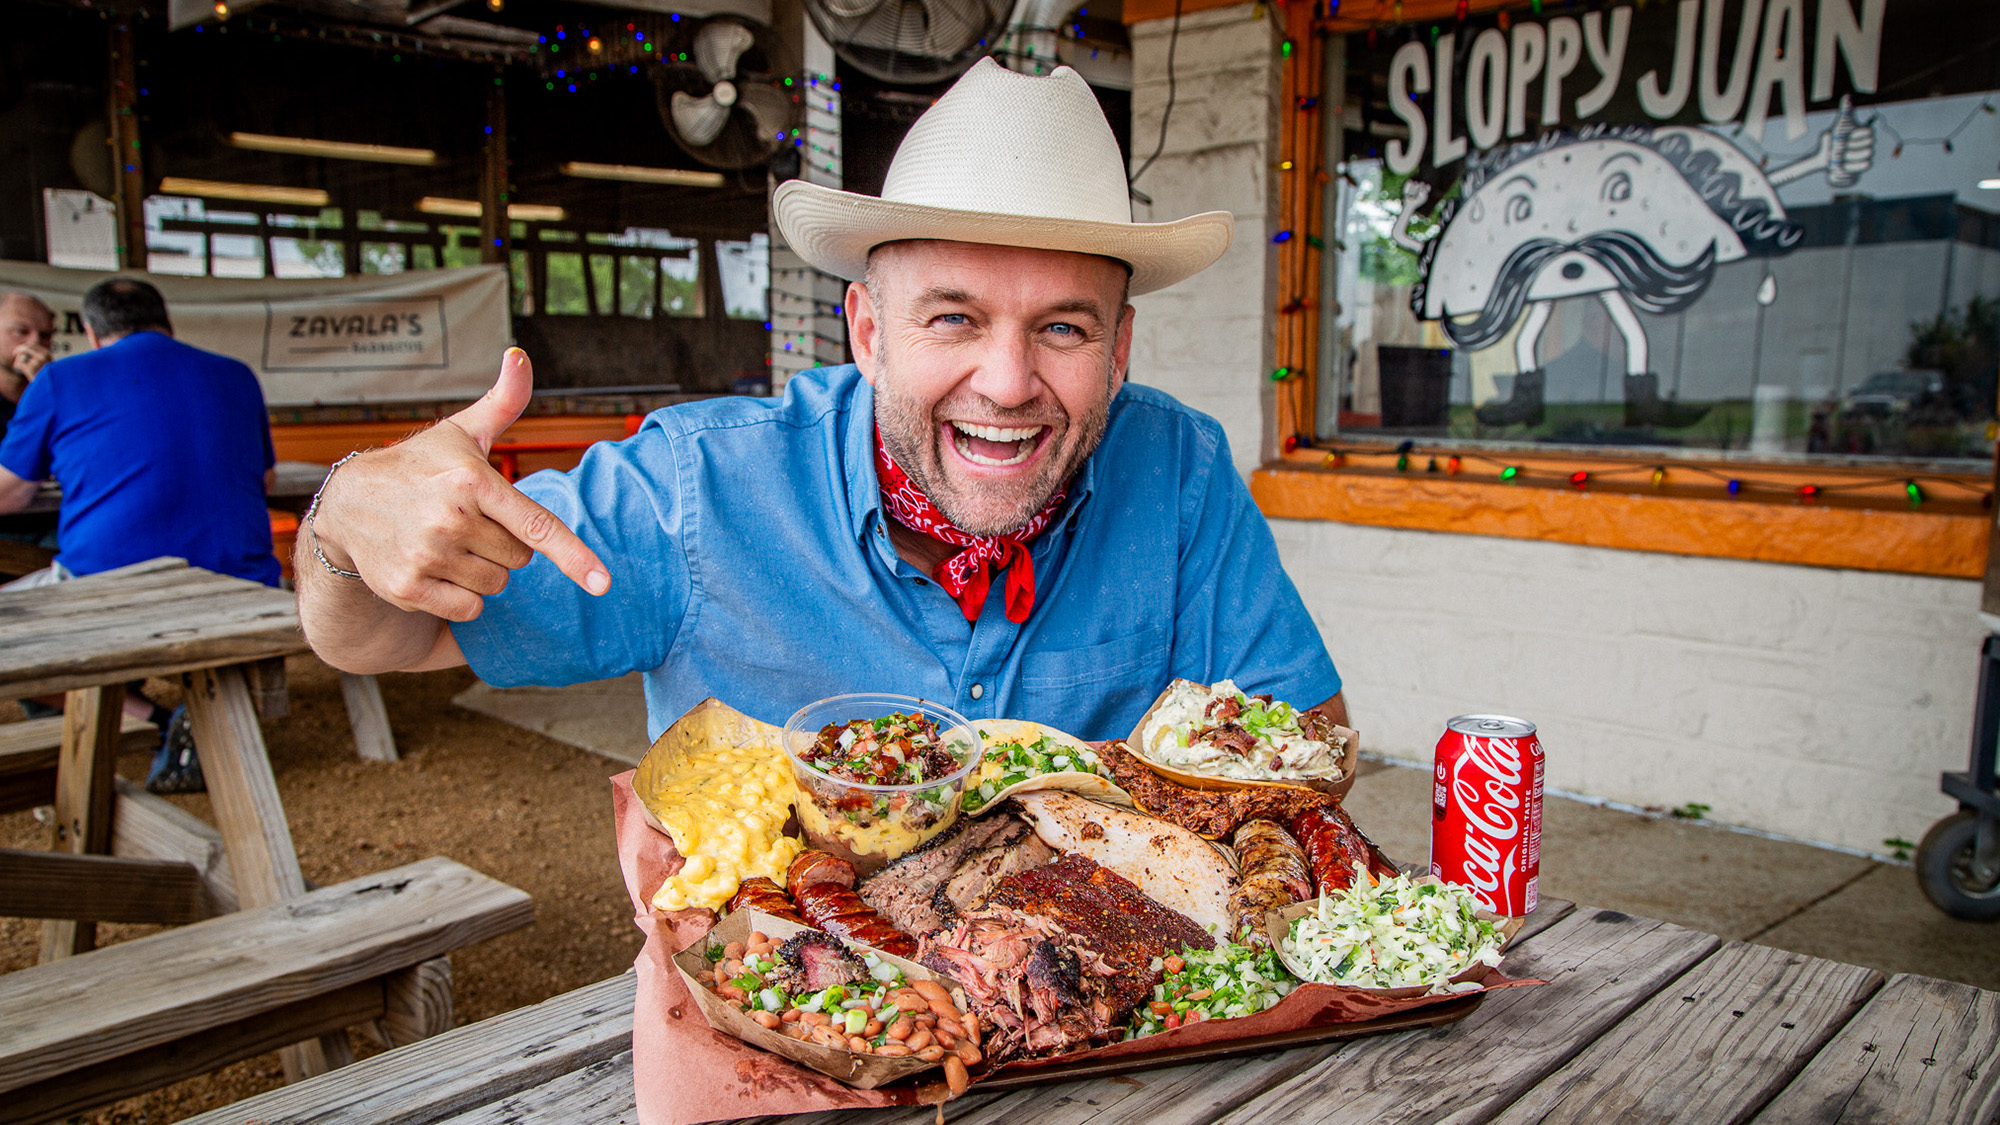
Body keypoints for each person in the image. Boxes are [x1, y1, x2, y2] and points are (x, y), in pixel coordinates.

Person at [297, 60, 1348, 740]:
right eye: (952, 319)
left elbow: (1308, 742)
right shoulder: (698, 488)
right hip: (783, 1027)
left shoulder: (1178, 470)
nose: (1007, 382)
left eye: (1063, 327)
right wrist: (344, 522)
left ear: (1119, 348)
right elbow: (378, 642)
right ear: (864, 332)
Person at [0, 277, 280, 792]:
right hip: (245, 585)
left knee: (28, 628)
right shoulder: (236, 375)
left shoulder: (59, 379)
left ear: (89, 330)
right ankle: (170, 721)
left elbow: (11, 494)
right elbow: (265, 481)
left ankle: (149, 720)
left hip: (112, 591)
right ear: (166, 323)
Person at [0, 291, 56, 441]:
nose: (34, 343)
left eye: (44, 336)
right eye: (21, 332)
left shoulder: (59, 394)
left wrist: (45, 386)